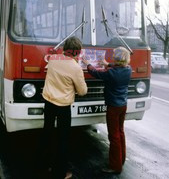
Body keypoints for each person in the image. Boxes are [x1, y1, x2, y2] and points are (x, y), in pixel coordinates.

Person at [42, 36, 88, 179]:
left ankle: (45, 165)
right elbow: (82, 91)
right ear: (77, 52)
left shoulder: (54, 59)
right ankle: (60, 172)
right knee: (63, 139)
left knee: (47, 133)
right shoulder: (75, 68)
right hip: (63, 106)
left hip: (48, 101)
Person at [82, 46, 132, 175]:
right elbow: (117, 67)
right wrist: (107, 64)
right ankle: (121, 159)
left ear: (117, 58)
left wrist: (88, 64)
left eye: (114, 55)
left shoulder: (111, 73)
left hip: (113, 107)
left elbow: (95, 73)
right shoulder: (128, 69)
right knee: (120, 132)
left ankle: (115, 166)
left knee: (113, 136)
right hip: (123, 105)